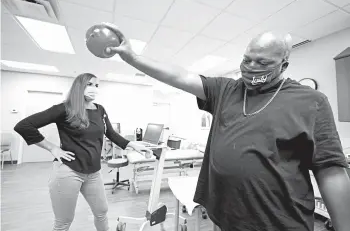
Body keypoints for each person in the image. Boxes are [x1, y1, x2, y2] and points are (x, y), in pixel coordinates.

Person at [100, 23, 350, 231]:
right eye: (246, 59)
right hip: (226, 218)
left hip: (279, 222)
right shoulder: (227, 90)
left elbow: (331, 171)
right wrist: (133, 58)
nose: (251, 67)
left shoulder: (311, 102)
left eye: (262, 63)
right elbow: (180, 76)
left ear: (283, 65)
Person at [14, 73, 153, 231]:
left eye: (97, 85)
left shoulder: (100, 109)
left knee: (101, 212)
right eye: (90, 84)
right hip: (68, 171)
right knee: (64, 222)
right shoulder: (64, 109)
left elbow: (110, 133)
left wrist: (132, 144)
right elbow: (24, 126)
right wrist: (52, 148)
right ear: (79, 86)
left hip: (94, 172)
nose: (94, 89)